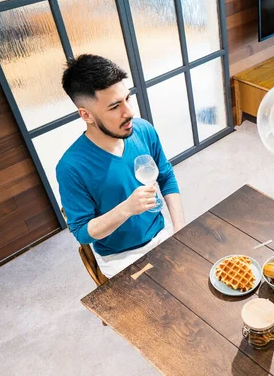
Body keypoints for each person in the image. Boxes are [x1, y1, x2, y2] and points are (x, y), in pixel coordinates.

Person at [57, 54, 185, 278]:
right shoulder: (71, 167)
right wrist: (127, 208)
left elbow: (165, 176)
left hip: (162, 233)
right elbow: (82, 233)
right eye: (115, 106)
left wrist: (180, 228)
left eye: (128, 98)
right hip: (120, 258)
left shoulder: (143, 130)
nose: (129, 112)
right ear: (86, 115)